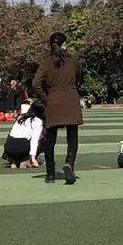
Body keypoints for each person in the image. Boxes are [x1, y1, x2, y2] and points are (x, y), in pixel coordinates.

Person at [32, 31, 83, 184]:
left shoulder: (46, 62)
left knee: (50, 139)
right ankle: (69, 163)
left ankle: (50, 174)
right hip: (71, 99)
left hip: (53, 100)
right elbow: (79, 78)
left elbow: (36, 84)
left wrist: (45, 99)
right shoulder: (72, 60)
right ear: (64, 44)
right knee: (72, 137)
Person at [2, 103, 45, 169]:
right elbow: (34, 140)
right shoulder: (38, 121)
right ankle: (27, 160)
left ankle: (14, 161)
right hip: (22, 148)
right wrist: (33, 158)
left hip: (8, 148)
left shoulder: (21, 117)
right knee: (43, 140)